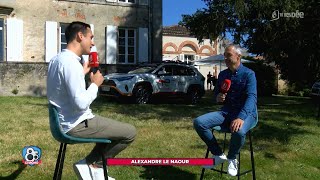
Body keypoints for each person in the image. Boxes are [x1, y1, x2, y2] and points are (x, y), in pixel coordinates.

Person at [47, 21, 136, 180]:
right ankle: (93, 166)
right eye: (91, 37)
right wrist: (95, 85)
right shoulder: (71, 63)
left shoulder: (58, 59)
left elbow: (64, 87)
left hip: (62, 122)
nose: (93, 42)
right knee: (129, 133)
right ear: (80, 36)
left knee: (110, 129)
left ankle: (90, 165)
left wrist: (82, 72)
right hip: (76, 124)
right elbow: (80, 104)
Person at [193, 45, 258, 176]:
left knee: (239, 131)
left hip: (247, 113)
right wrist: (218, 97)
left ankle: (232, 158)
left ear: (238, 57)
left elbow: (252, 97)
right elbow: (217, 94)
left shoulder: (249, 74)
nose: (225, 58)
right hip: (226, 111)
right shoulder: (223, 74)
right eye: (225, 55)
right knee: (199, 122)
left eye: (228, 55)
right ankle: (218, 154)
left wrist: (241, 117)